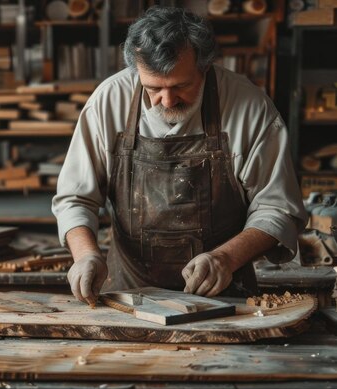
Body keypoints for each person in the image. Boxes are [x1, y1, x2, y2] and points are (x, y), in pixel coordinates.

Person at [51, 6, 307, 306]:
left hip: (225, 294)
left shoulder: (248, 106)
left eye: (181, 86)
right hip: (128, 296)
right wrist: (85, 255)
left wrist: (225, 258)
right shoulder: (109, 101)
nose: (167, 100)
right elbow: (75, 197)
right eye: (153, 88)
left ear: (205, 66)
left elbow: (277, 208)